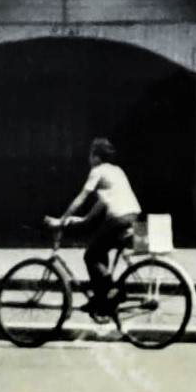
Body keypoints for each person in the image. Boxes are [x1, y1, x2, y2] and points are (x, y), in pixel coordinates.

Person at [46, 137, 143, 319]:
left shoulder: (97, 171)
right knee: (100, 252)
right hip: (132, 216)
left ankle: (112, 292)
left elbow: (81, 198)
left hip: (117, 218)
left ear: (96, 156)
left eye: (90, 154)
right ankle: (102, 299)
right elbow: (102, 203)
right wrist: (83, 220)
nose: (89, 159)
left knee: (90, 255)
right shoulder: (116, 171)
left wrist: (61, 220)